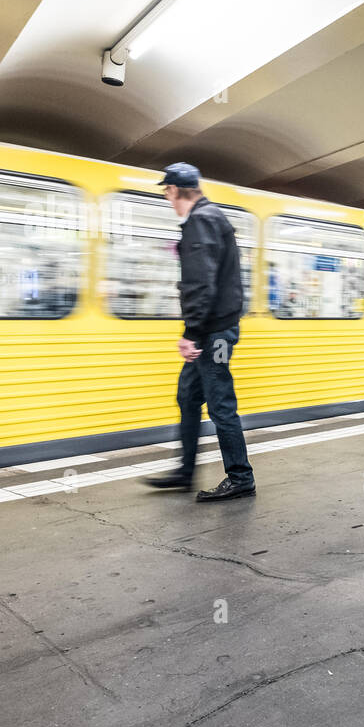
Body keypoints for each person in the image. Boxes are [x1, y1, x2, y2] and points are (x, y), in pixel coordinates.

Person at [143, 163, 255, 501]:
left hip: (214, 333)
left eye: (166, 191)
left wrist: (191, 333)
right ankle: (186, 470)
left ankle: (240, 477)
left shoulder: (200, 221)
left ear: (175, 190)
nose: (167, 198)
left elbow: (200, 283)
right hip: (213, 328)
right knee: (188, 396)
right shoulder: (212, 217)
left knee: (221, 403)